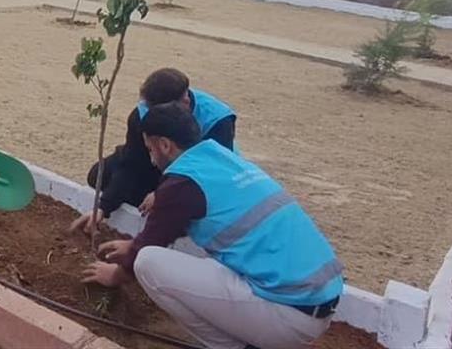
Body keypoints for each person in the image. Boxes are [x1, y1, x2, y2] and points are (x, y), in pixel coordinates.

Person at [83, 103, 342, 349]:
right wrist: (132, 244)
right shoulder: (219, 158)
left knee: (147, 262)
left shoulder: (181, 182)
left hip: (289, 315)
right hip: (318, 299)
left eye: (150, 150)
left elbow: (147, 248)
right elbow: (183, 224)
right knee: (191, 251)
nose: (151, 160)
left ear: (164, 145)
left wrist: (115, 274)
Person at [71, 68, 235, 235]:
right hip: (158, 166)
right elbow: (132, 164)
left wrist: (163, 193)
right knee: (99, 174)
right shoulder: (143, 112)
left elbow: (215, 172)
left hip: (198, 175)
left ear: (184, 102)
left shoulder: (217, 120)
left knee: (184, 206)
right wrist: (102, 208)